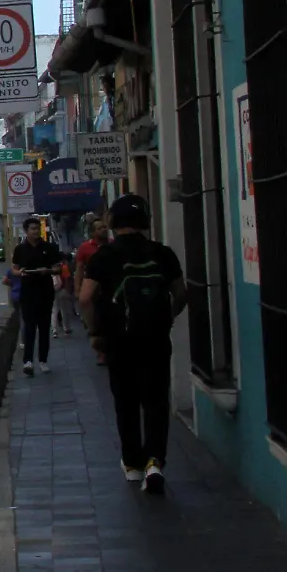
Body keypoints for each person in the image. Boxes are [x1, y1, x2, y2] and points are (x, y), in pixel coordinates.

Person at [80, 194, 188, 494]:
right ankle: (155, 461)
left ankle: (132, 464)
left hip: (119, 342)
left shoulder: (103, 256)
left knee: (125, 403)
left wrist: (95, 332)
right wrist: (166, 319)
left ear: (113, 222)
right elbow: (181, 294)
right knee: (156, 401)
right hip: (155, 340)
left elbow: (85, 298)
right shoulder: (163, 254)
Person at [12, 217, 63, 375]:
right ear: (26, 231)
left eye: (37, 228)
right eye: (32, 228)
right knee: (29, 328)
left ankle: (43, 359)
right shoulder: (20, 249)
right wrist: (19, 273)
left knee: (44, 327)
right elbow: (14, 268)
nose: (35, 231)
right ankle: (28, 361)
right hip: (27, 292)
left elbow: (57, 268)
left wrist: (47, 271)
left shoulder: (49, 247)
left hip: (45, 291)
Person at [74, 215, 111, 366]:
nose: (104, 230)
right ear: (93, 232)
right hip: (93, 289)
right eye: (100, 228)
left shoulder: (113, 245)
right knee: (97, 320)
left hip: (110, 288)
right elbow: (79, 269)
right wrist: (78, 288)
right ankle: (101, 352)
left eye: (104, 227)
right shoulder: (85, 248)